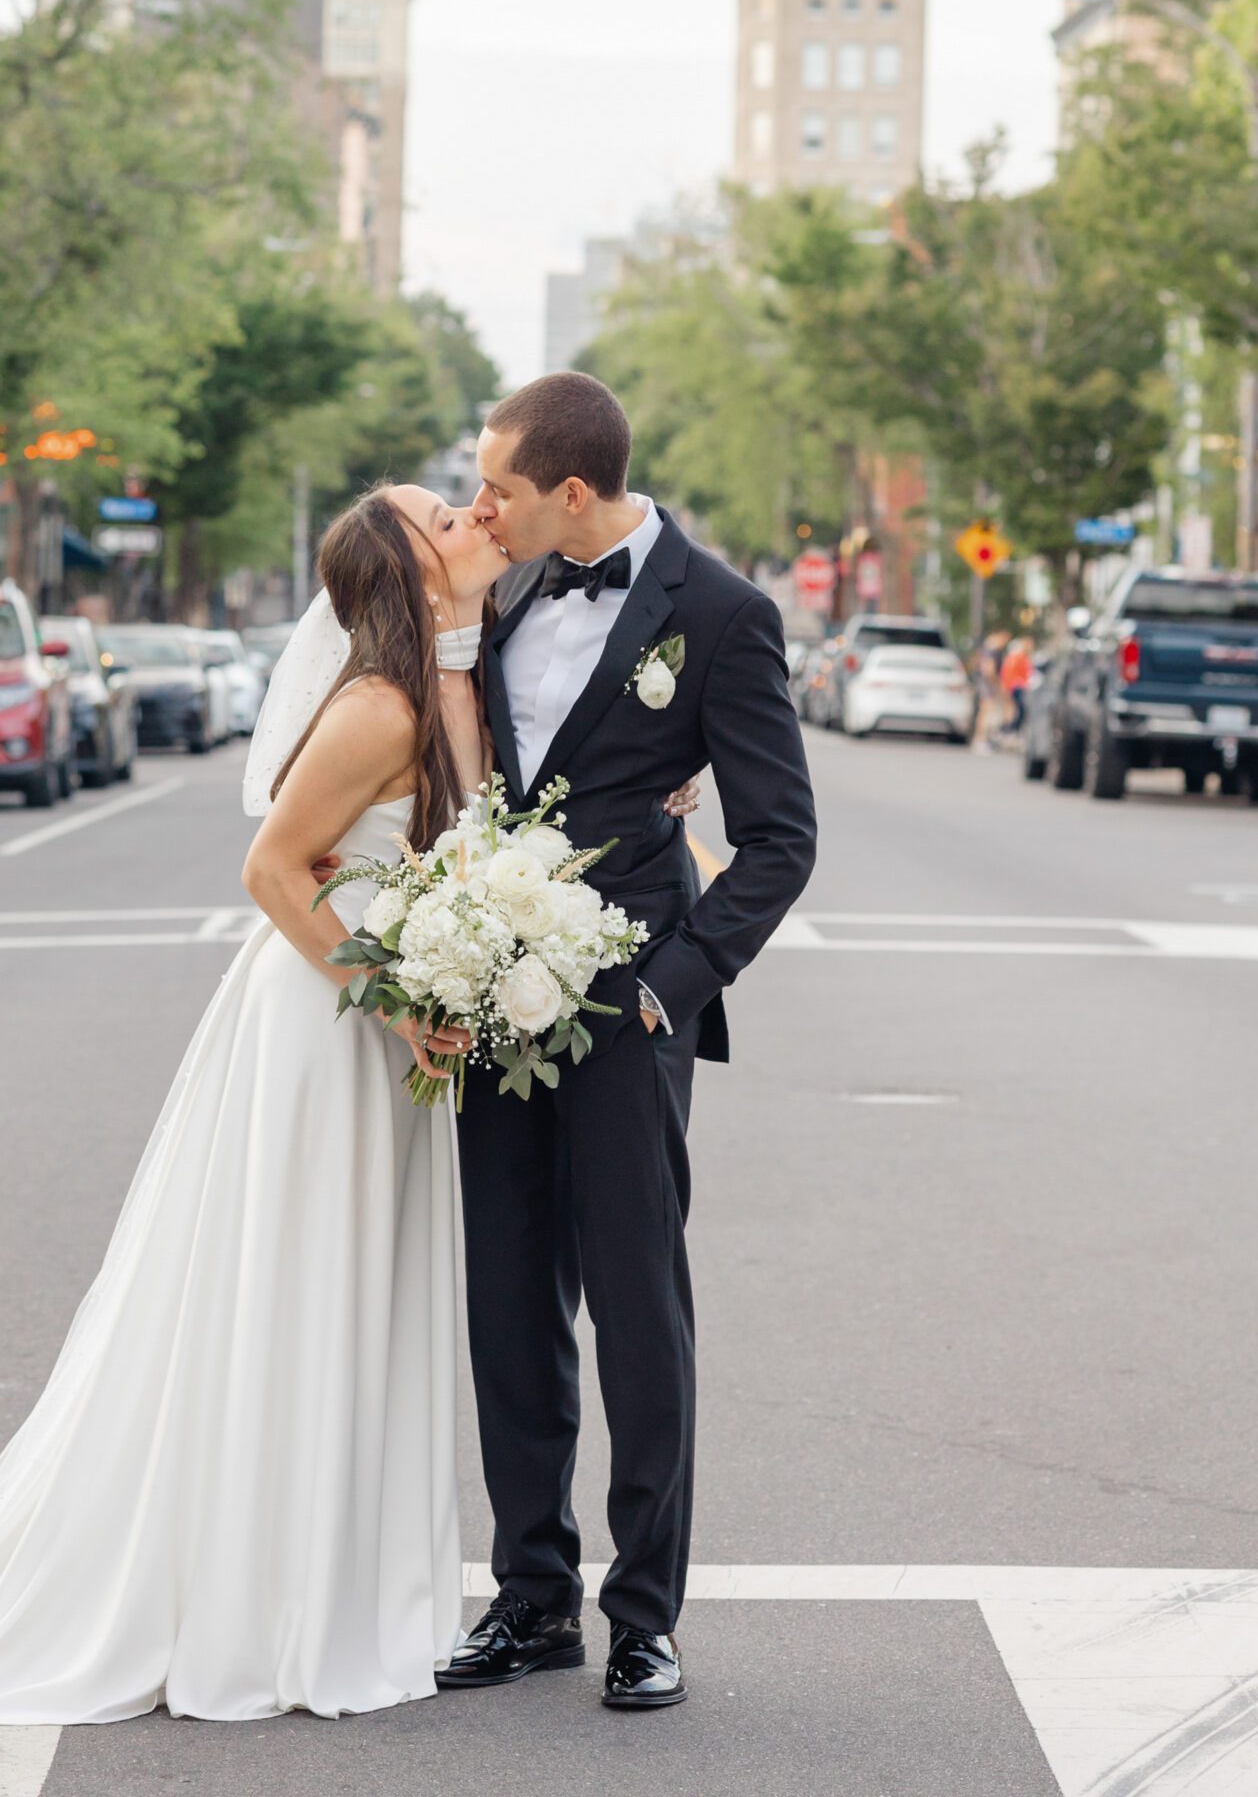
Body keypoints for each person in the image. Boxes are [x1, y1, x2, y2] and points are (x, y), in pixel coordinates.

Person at [0, 477, 699, 1728]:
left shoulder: (470, 670)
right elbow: (273, 863)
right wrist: (394, 997)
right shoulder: (379, 703)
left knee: (358, 1299)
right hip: (324, 1029)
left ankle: (330, 1577)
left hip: (399, 1035)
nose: (473, 518)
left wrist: (665, 789)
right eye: (445, 517)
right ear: (408, 575)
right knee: (286, 1293)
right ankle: (251, 1596)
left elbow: (532, 795)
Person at [437, 372, 817, 1713]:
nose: (481, 505)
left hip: (628, 998)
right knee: (508, 1301)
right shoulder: (509, 596)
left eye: (501, 486)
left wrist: (675, 983)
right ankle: (528, 1597)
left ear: (574, 493)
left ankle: (643, 1615)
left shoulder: (717, 617)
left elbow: (779, 839)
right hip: (494, 995)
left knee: (636, 1310)